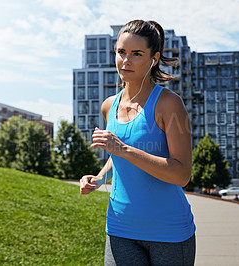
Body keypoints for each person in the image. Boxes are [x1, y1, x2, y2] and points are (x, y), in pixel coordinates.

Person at [80, 20, 196, 265]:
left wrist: (123, 149)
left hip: (169, 232)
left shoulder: (168, 104)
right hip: (120, 228)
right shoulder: (109, 105)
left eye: (136, 54)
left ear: (154, 59)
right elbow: (117, 156)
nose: (126, 61)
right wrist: (100, 178)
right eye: (121, 52)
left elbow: (181, 174)